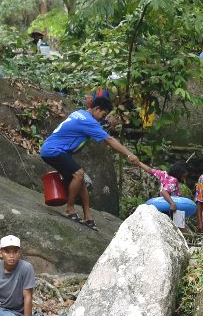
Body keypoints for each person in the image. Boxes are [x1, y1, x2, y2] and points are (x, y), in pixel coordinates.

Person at [38, 94, 144, 229]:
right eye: (103, 115)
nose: (103, 118)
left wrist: (106, 123)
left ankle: (88, 216)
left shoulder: (80, 113)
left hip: (52, 149)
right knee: (79, 174)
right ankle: (70, 209)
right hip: (54, 151)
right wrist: (129, 154)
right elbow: (109, 140)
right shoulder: (88, 121)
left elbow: (96, 125)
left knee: (81, 179)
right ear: (97, 109)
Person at [143, 162, 198, 227]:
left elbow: (150, 170)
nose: (186, 175)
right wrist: (172, 203)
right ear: (181, 172)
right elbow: (164, 191)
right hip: (173, 206)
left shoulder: (163, 174)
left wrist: (138, 162)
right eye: (185, 173)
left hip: (163, 205)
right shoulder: (174, 180)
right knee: (181, 228)